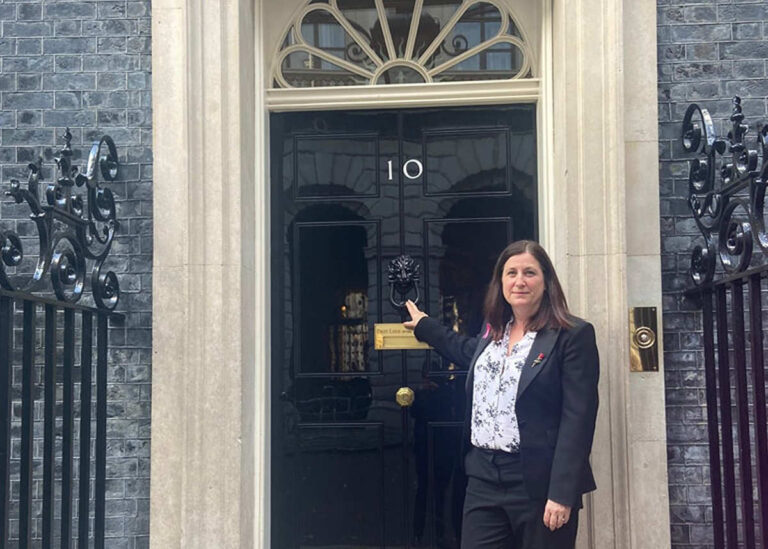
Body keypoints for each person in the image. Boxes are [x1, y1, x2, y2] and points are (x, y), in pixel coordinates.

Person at [403, 240, 599, 549]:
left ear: (546, 281)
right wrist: (424, 326)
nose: (519, 281)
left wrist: (562, 493)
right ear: (501, 282)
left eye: (529, 273)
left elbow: (578, 418)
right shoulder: (493, 332)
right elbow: (465, 350)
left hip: (537, 481)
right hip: (483, 478)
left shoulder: (571, 335)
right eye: (511, 273)